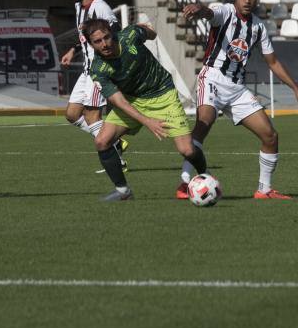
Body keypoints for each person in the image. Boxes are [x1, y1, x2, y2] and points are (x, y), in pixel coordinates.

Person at [180, 0, 298, 200]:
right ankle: (184, 184)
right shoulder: (225, 12)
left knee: (270, 135)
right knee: (204, 124)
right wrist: (200, 9)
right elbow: (210, 14)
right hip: (212, 78)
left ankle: (264, 190)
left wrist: (296, 89)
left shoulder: (258, 27)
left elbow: (273, 62)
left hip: (237, 89)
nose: (247, 0)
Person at [84, 19, 208, 201]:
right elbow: (119, 102)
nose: (104, 44)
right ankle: (123, 190)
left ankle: (206, 176)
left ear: (112, 33)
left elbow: (151, 33)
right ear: (91, 44)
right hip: (132, 100)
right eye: (98, 41)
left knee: (187, 151)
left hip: (163, 94)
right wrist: (147, 121)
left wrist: (147, 30)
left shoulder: (130, 36)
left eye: (107, 37)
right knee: (102, 141)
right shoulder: (98, 69)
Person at [59, 0, 127, 172]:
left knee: (91, 115)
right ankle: (115, 142)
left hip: (98, 71)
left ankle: (116, 159)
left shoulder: (101, 7)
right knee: (72, 115)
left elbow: (116, 33)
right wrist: (73, 50)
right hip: (86, 70)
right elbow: (86, 36)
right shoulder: (78, 7)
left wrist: (109, 64)